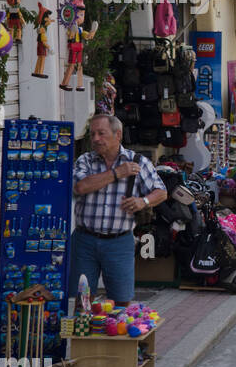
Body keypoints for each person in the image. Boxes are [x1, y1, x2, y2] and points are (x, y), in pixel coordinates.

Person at [70, 113, 168, 306]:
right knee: (81, 300)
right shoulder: (86, 160)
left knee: (121, 300)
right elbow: (80, 187)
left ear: (118, 135)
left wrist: (144, 201)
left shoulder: (138, 162)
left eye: (101, 133)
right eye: (92, 134)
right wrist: (117, 173)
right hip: (84, 240)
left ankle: (115, 334)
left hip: (119, 241)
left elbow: (161, 192)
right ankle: (84, 335)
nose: (96, 139)